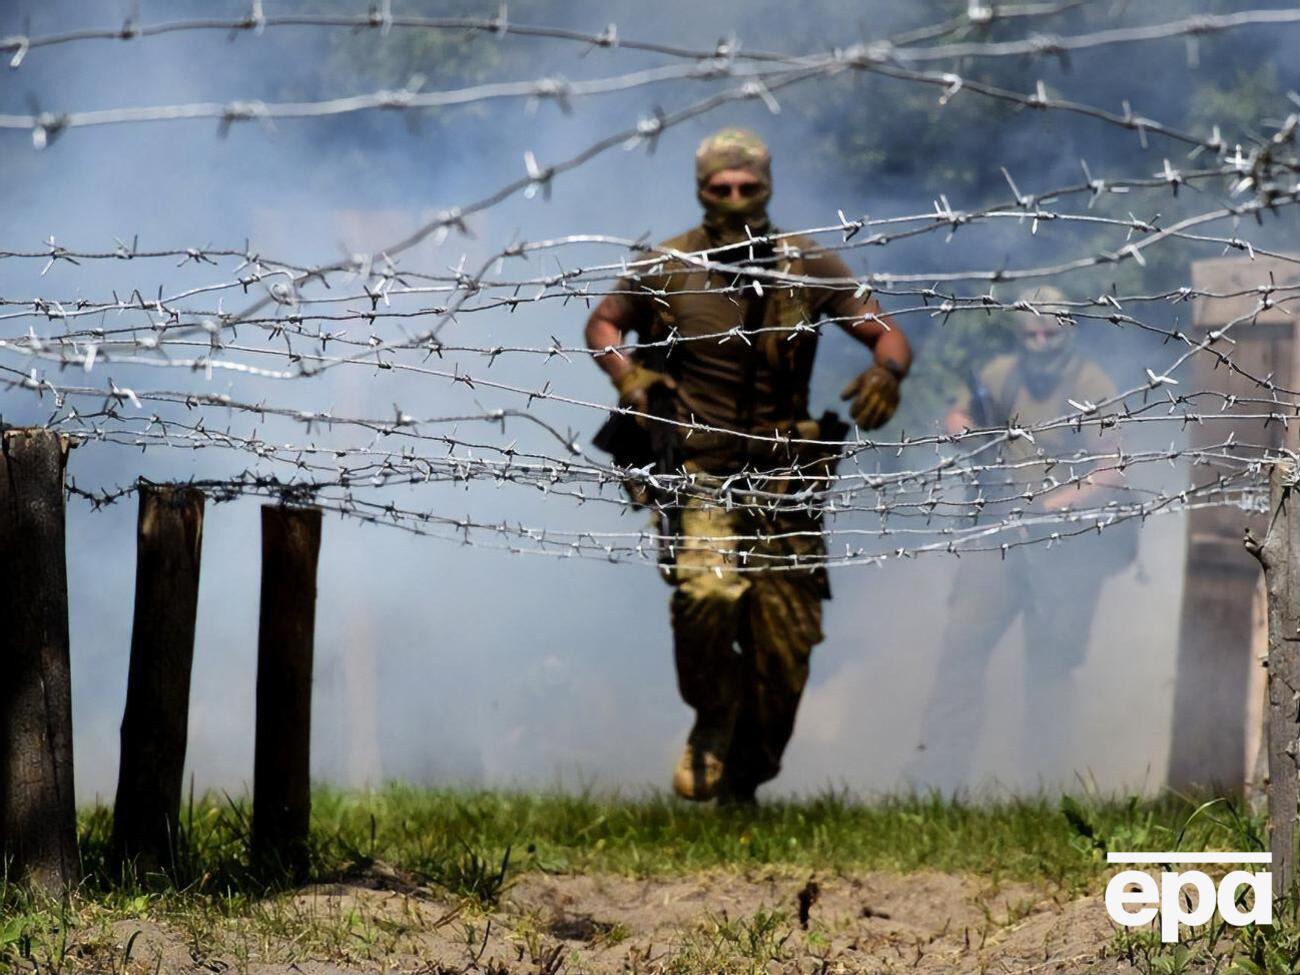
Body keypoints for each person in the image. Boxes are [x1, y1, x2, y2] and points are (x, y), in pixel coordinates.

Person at [584, 128, 912, 803]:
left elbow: (884, 329)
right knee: (706, 597)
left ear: (768, 186)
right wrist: (629, 378)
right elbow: (604, 323)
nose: (734, 199)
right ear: (701, 190)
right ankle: (713, 711)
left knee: (785, 646)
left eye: (748, 187)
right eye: (719, 188)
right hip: (698, 472)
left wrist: (889, 370)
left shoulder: (804, 264)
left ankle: (745, 780)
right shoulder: (667, 265)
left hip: (785, 477)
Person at [912, 286, 1125, 788]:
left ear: (1067, 330)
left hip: (1064, 543)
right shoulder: (999, 375)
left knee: (1050, 665)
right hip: (1000, 534)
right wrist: (963, 428)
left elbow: (1112, 466)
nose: (1039, 341)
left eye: (1049, 331)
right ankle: (937, 779)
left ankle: (1043, 788)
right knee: (962, 645)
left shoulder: (1092, 383)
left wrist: (1057, 504)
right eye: (1029, 331)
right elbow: (959, 413)